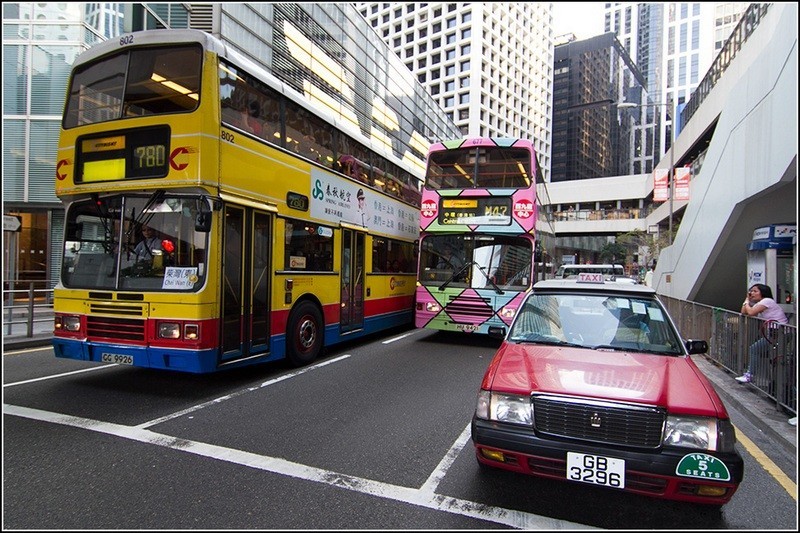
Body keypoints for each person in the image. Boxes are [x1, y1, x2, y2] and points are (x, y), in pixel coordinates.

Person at [735, 283, 789, 383]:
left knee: (754, 349)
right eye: (751, 291)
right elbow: (743, 312)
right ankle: (752, 375)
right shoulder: (761, 302)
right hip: (775, 332)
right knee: (759, 350)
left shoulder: (767, 301)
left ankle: (750, 375)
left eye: (755, 291)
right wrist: (747, 300)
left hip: (779, 333)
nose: (752, 293)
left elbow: (751, 312)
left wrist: (747, 302)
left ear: (763, 293)